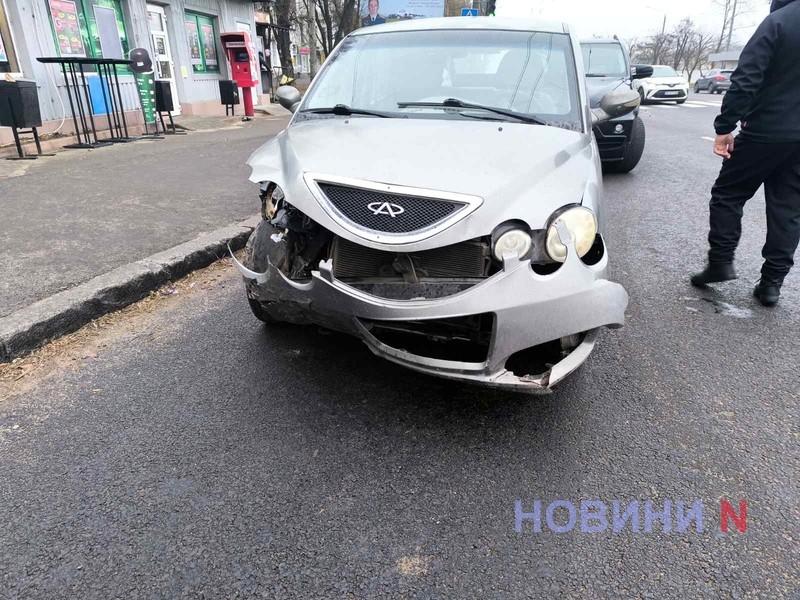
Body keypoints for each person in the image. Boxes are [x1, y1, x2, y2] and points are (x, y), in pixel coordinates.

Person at [690, 0, 800, 306]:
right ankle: (771, 284)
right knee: (789, 209)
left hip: (766, 130)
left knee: (729, 193)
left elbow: (747, 77)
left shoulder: (779, 22)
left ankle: (721, 262)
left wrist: (725, 126)